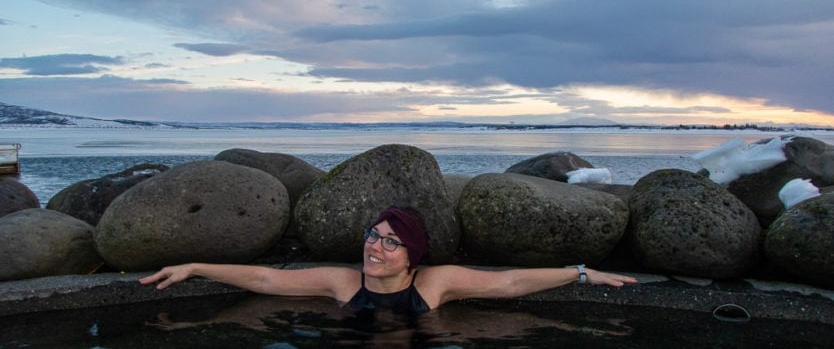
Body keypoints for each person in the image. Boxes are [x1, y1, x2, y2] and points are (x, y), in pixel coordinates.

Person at [140, 206, 637, 314]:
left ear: (412, 256)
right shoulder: (341, 283)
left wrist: (581, 273)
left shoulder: (435, 284)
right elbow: (268, 278)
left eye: (390, 243)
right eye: (372, 236)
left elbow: (507, 284)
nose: (374, 248)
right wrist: (196, 266)